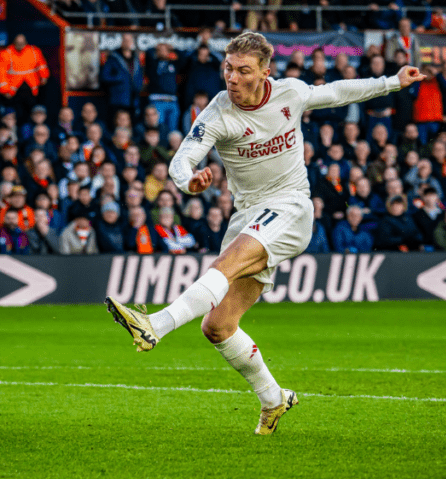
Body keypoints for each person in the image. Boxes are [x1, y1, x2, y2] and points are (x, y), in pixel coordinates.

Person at [105, 32, 423, 435]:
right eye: (228, 68)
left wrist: (392, 82)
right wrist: (189, 184)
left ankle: (156, 325)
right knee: (217, 325)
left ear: (265, 72)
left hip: (291, 207)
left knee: (224, 264)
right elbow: (181, 161)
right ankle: (274, 399)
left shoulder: (289, 93)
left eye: (243, 71)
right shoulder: (217, 113)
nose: (232, 78)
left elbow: (337, 91)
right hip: (248, 216)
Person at [0, 34, 50, 127]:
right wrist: (4, 90)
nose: (20, 45)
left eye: (22, 43)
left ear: (26, 43)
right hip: (13, 92)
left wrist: (44, 77)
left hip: (32, 91)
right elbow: (0, 73)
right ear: (14, 43)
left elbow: (42, 65)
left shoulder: (34, 51)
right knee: (17, 116)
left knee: (33, 115)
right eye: (18, 43)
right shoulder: (6, 53)